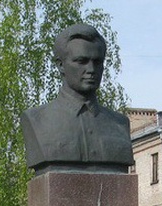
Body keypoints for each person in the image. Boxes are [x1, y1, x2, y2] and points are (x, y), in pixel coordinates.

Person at [21, 23, 135, 173]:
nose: (91, 70)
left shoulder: (119, 124)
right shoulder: (37, 119)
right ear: (61, 65)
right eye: (81, 61)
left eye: (97, 62)